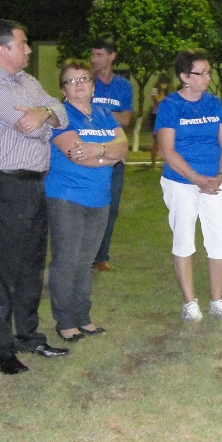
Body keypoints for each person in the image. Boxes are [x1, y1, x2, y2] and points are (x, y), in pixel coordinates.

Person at [0, 20, 70, 375]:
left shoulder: (27, 81)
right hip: (7, 185)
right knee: (5, 268)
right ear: (3, 50)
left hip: (33, 184)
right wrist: (45, 118)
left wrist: (45, 113)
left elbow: (60, 113)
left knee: (32, 265)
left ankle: (29, 336)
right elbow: (30, 129)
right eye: (23, 44)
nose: (29, 49)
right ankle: (2, 348)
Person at [45, 59, 128, 342]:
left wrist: (100, 149)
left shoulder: (104, 113)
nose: (78, 84)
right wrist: (110, 155)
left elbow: (123, 146)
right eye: (71, 81)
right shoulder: (61, 117)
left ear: (93, 86)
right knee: (66, 260)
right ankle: (65, 321)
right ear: (63, 90)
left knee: (86, 261)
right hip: (67, 197)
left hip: (99, 199)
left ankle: (83, 317)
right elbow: (77, 155)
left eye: (84, 79)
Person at [155, 48, 222, 322]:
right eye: (201, 73)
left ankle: (217, 300)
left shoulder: (214, 103)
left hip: (215, 181)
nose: (207, 78)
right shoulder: (170, 106)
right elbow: (166, 150)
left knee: (218, 241)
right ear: (184, 77)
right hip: (181, 183)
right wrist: (196, 178)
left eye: (208, 72)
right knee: (184, 240)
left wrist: (220, 174)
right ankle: (190, 303)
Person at [89, 38, 134, 272]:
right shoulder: (86, 81)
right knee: (87, 205)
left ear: (112, 56)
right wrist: (110, 115)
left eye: (99, 55)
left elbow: (126, 119)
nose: (94, 59)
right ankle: (84, 254)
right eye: (92, 55)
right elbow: (78, 114)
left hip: (115, 156)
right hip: (89, 154)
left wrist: (96, 113)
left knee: (111, 207)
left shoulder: (123, 86)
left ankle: (101, 256)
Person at [149, 73, 171, 168]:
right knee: (156, 142)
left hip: (165, 117)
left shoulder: (167, 92)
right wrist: (162, 91)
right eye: (164, 83)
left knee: (166, 141)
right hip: (156, 116)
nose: (165, 85)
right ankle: (153, 164)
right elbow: (158, 101)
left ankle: (167, 163)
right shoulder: (155, 90)